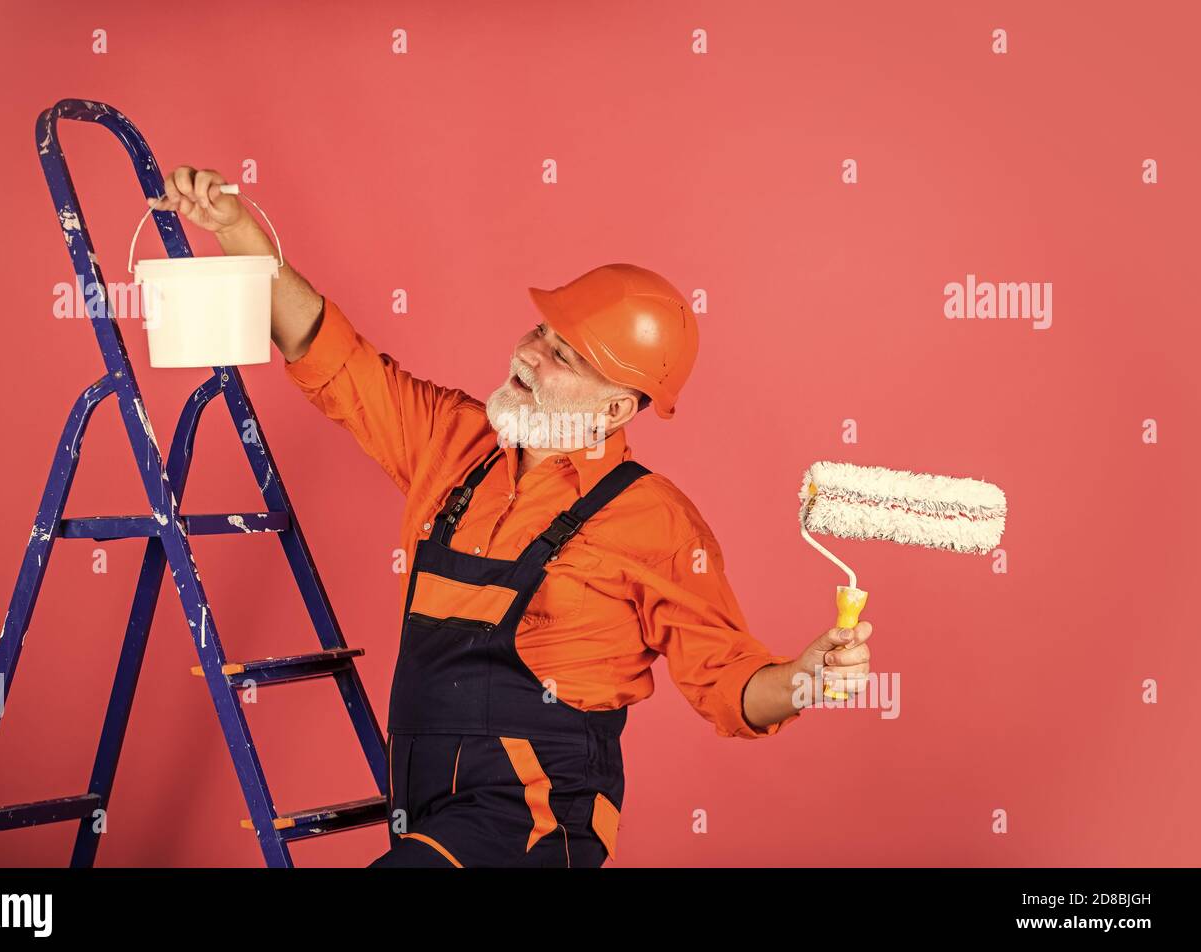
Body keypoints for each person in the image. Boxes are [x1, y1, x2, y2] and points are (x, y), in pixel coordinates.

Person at [148, 168, 873, 867]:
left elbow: (727, 681)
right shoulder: (453, 442)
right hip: (424, 806)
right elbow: (328, 350)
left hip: (535, 817)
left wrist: (802, 679)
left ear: (616, 408)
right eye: (540, 331)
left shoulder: (654, 521)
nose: (530, 353)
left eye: (564, 355)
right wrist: (238, 229)